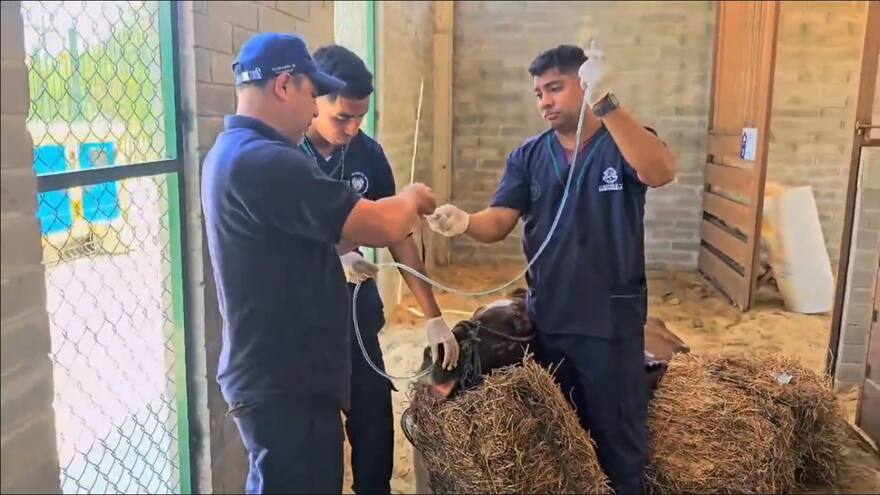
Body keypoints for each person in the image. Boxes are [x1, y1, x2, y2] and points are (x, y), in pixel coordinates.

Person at [426, 43, 677, 494]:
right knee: (560, 436)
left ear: (585, 85)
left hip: (608, 321)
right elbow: (498, 222)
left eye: (555, 88)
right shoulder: (529, 156)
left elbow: (660, 171)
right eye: (538, 92)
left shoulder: (622, 141)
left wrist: (609, 104)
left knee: (618, 439)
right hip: (551, 317)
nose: (544, 101)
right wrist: (463, 222)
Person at [200, 33, 437, 495]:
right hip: (284, 377)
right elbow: (381, 224)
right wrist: (412, 198)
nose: (313, 110)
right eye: (313, 96)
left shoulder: (237, 152)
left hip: (286, 370)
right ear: (285, 85)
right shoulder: (265, 160)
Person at [300, 44, 460, 494]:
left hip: (356, 317)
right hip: (305, 326)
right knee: (315, 442)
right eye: (342, 118)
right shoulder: (287, 155)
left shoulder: (367, 154)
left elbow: (398, 233)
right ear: (313, 101)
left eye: (360, 117)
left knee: (373, 422)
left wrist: (432, 316)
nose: (352, 128)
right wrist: (335, 253)